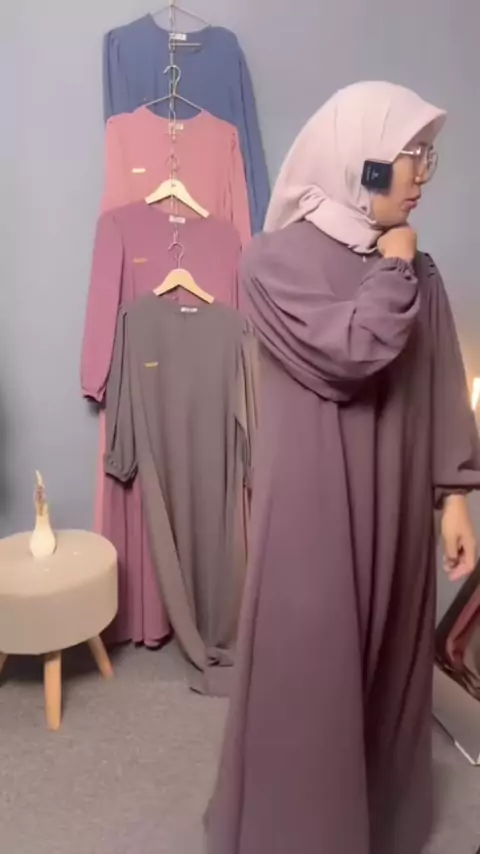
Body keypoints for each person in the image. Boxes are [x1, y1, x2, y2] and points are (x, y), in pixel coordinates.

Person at [204, 81, 480, 854]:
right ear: (360, 164)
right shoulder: (270, 262)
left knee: (389, 660)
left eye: (428, 158)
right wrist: (396, 268)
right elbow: (352, 353)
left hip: (395, 503)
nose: (421, 176)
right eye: (406, 157)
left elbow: (436, 379)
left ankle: (378, 826)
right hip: (313, 508)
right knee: (310, 678)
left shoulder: (417, 267)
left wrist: (454, 497)